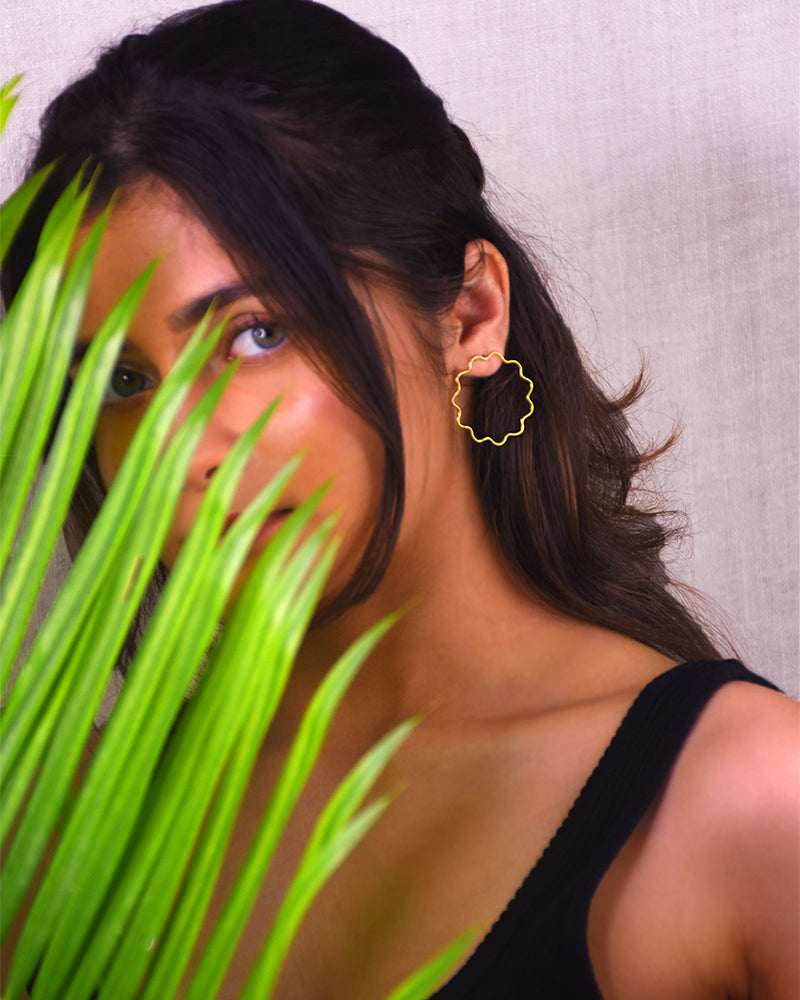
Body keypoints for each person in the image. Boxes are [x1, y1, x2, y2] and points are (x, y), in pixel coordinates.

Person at [2, 1, 798, 997]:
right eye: (122, 380)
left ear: (470, 315)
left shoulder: (743, 804)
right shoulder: (65, 834)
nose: (169, 451)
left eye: (254, 335)